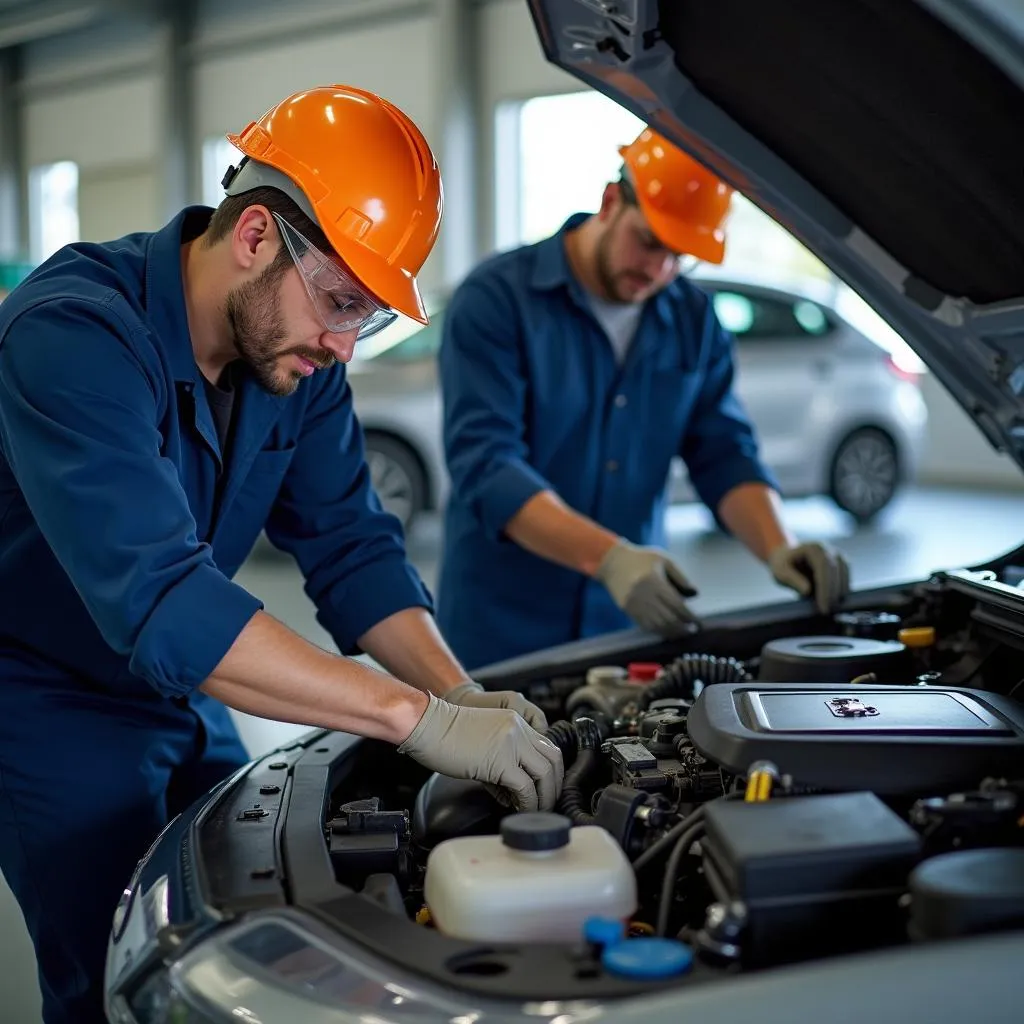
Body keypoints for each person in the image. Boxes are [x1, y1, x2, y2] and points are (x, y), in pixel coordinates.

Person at [0, 84, 561, 1024]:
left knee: (246, 931)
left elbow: (353, 546)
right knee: (112, 977)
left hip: (188, 688)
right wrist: (410, 717)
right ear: (256, 235)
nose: (345, 345)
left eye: (370, 319)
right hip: (49, 697)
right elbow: (163, 603)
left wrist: (457, 693)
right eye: (344, 302)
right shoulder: (73, 335)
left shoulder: (292, 360)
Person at [436, 127, 850, 671]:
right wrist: (608, 559)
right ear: (611, 201)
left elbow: (723, 453)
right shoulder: (495, 301)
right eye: (650, 240)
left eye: (680, 257)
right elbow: (488, 468)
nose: (658, 270)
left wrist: (780, 546)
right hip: (503, 630)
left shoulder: (693, 322)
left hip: (628, 626)